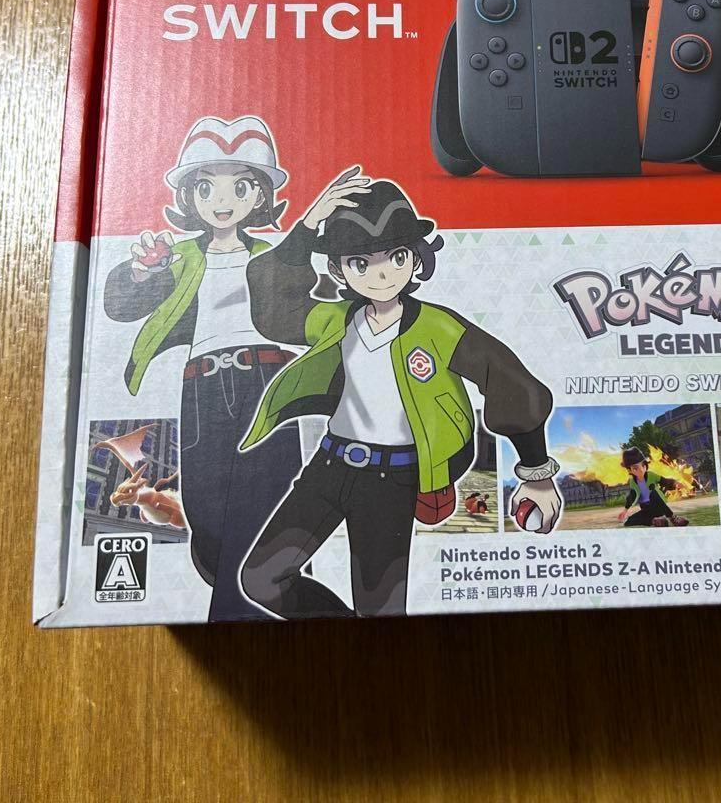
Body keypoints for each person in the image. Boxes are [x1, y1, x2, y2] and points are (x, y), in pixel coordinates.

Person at [237, 170, 563, 617]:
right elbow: (276, 308)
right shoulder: (336, 320)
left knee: (380, 612)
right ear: (339, 269)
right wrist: (308, 226)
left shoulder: (438, 327)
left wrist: (536, 473)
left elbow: (508, 381)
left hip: (393, 480)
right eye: (361, 263)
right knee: (261, 578)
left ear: (415, 257)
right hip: (329, 467)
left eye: (396, 256)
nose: (381, 274)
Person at [103, 116, 303, 620]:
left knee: (269, 495)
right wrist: (142, 270)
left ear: (260, 197)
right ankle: (257, 587)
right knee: (206, 508)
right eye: (206, 187)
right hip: (203, 387)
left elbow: (306, 308)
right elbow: (120, 307)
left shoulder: (273, 254)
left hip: (267, 377)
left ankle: (237, 608)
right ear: (190, 196)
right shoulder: (179, 257)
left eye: (241, 187)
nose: (222, 200)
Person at [616, 447, 689, 527]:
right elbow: (632, 496)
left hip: (659, 506)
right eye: (635, 468)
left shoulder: (651, 475)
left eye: (643, 466)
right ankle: (655, 521)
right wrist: (625, 510)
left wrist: (674, 483)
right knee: (628, 521)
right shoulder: (633, 482)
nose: (641, 470)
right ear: (629, 470)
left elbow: (664, 481)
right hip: (646, 509)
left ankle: (672, 518)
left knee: (653, 493)